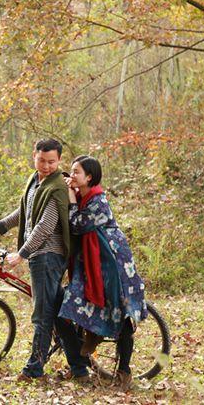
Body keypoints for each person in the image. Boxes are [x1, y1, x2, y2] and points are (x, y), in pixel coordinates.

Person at [0, 138, 72, 383]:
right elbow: (25, 213)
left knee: (42, 314)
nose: (46, 165)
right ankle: (79, 365)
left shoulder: (57, 185)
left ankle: (34, 370)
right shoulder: (35, 180)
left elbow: (46, 225)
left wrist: (22, 254)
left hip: (48, 255)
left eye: (51, 161)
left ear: (59, 160)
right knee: (57, 310)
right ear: (34, 156)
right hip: (39, 254)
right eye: (42, 160)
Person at [58, 155, 147, 390]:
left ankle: (124, 372)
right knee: (70, 307)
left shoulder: (98, 201)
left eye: (76, 172)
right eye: (71, 170)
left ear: (89, 177)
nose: (72, 175)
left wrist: (70, 200)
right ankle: (81, 356)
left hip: (113, 264)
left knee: (120, 314)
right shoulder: (81, 195)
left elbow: (78, 224)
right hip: (91, 264)